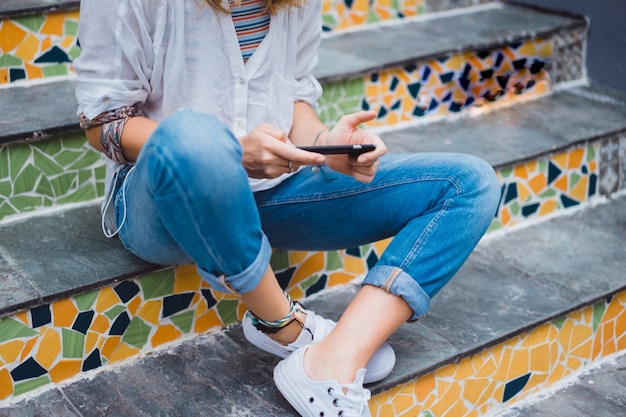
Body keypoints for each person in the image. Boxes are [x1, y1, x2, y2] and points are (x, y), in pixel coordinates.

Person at [74, 0, 501, 415]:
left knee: (469, 184)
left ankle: (332, 360)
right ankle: (283, 325)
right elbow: (103, 123)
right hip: (165, 204)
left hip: (275, 191)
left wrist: (326, 148)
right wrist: (232, 151)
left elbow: (292, 96)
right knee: (195, 137)